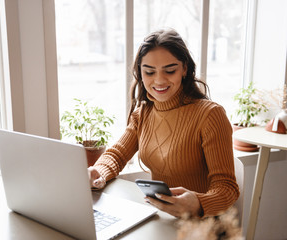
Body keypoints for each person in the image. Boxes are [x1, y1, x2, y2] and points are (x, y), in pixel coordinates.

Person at [88, 29, 239, 218]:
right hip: (163, 218)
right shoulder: (143, 113)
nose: (159, 80)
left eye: (170, 70)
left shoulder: (210, 115)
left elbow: (227, 188)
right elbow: (117, 155)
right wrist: (97, 173)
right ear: (140, 74)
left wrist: (198, 204)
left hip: (202, 224)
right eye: (149, 72)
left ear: (184, 69)